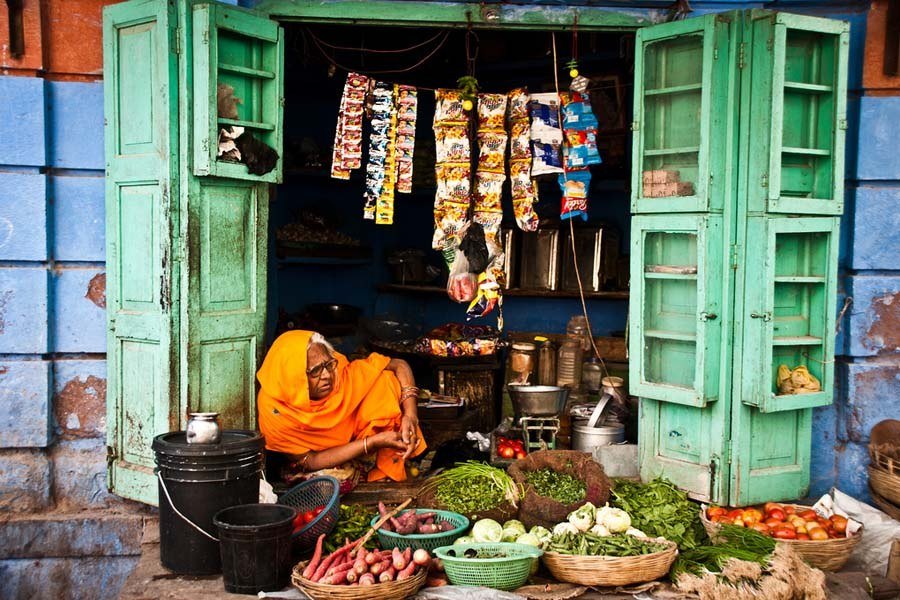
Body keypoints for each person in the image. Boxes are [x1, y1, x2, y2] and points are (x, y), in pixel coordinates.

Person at [257, 330, 426, 482]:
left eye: (329, 364)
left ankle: (384, 466)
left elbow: (400, 365)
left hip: (371, 443)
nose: (327, 375)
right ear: (293, 377)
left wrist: (410, 415)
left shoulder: (343, 376)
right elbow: (311, 460)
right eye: (315, 371)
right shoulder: (275, 410)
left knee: (384, 381)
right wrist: (371, 443)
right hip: (332, 456)